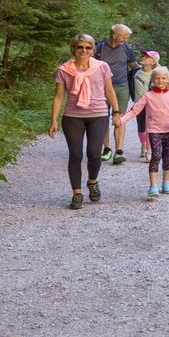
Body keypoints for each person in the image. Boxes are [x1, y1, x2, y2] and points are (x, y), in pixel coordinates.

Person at [49, 34, 120, 209]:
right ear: (73, 49)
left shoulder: (102, 67)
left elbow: (109, 91)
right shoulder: (64, 70)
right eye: (80, 47)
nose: (84, 51)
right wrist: (54, 121)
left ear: (93, 50)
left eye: (88, 48)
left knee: (94, 154)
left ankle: (92, 181)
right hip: (73, 116)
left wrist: (116, 112)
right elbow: (59, 97)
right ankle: (77, 194)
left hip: (98, 114)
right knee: (75, 155)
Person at [118, 66, 169, 198]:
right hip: (154, 130)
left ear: (168, 79)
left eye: (163, 78)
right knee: (156, 156)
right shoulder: (147, 96)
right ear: (152, 80)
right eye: (157, 78)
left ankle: (166, 183)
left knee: (167, 156)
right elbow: (134, 110)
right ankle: (153, 185)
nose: (160, 80)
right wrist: (121, 121)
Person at [94, 24, 140, 163]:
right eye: (124, 37)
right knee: (102, 118)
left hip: (122, 88)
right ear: (114, 36)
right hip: (101, 88)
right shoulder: (99, 48)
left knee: (120, 117)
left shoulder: (127, 48)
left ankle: (119, 151)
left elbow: (134, 66)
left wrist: (152, 73)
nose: (126, 39)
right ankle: (107, 149)